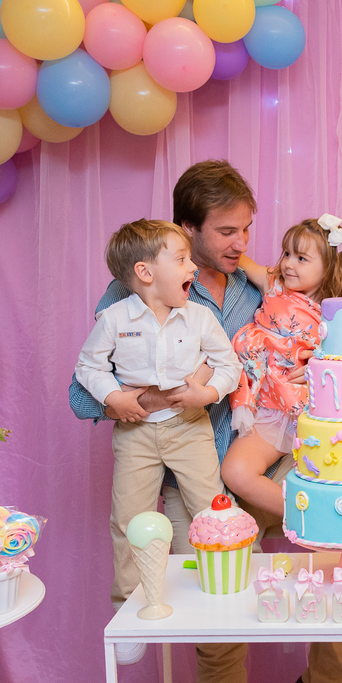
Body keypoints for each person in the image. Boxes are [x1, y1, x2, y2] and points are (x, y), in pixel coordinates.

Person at [67, 161, 342, 683]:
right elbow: (81, 391)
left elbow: (320, 327)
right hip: (195, 481)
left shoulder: (266, 287)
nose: (242, 244)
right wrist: (144, 398)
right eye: (227, 231)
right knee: (221, 634)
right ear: (187, 229)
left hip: (272, 460)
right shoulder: (137, 288)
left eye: (247, 230)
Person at [74, 219, 242, 621]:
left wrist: (208, 392)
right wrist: (113, 396)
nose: (193, 269)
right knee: (128, 519)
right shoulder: (114, 319)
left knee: (212, 506)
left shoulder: (199, 317)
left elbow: (229, 365)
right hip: (135, 434)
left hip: (190, 427)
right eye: (182, 259)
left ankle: (229, 586)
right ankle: (130, 605)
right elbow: (88, 367)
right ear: (145, 273)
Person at [222, 216, 342, 514]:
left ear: (328, 267)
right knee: (236, 472)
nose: (289, 264)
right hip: (268, 409)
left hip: (315, 414)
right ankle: (312, 515)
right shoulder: (273, 282)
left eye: (302, 258)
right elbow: (239, 258)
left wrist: (320, 365)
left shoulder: (337, 311)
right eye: (287, 253)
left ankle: (334, 519)